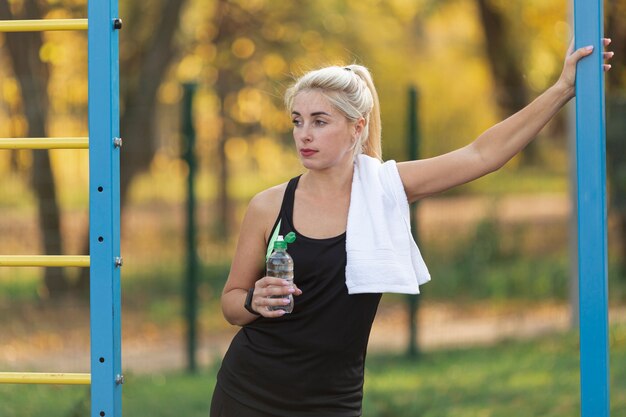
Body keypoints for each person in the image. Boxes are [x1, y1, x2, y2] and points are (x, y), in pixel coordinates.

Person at [210, 39, 614, 417]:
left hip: (332, 400)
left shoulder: (385, 189)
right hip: (248, 391)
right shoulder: (268, 206)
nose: (304, 134)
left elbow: (482, 155)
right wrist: (252, 302)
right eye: (298, 121)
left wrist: (562, 88)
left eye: (320, 121)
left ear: (357, 127)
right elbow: (231, 301)